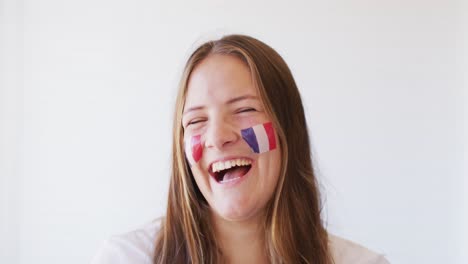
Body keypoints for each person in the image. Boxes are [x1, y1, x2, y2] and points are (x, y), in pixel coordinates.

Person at [91, 34, 390, 264]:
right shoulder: (128, 258)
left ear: (289, 129)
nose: (217, 137)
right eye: (196, 120)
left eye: (244, 109)